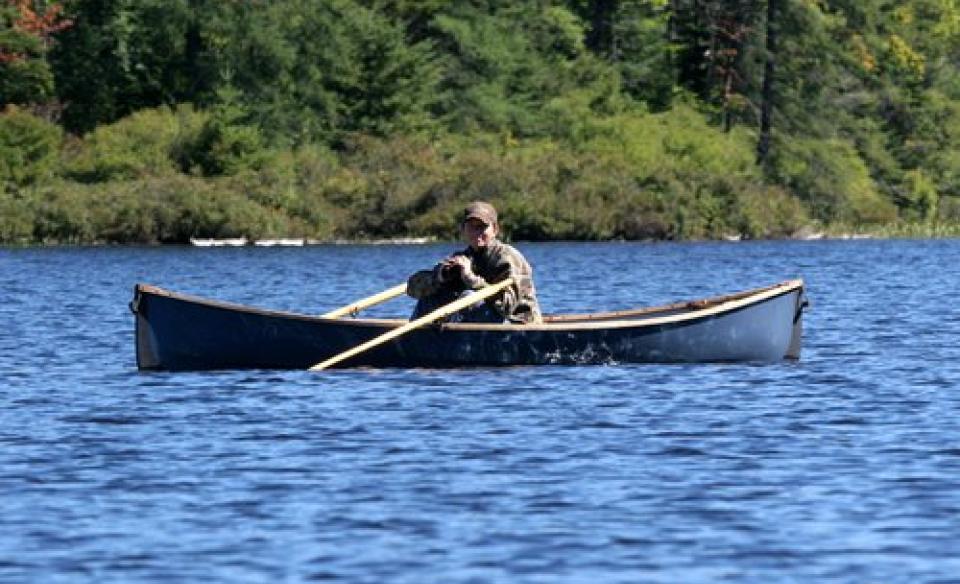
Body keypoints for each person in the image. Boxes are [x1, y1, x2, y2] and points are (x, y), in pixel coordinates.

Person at [407, 201, 542, 324]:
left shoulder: (508, 258)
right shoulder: (462, 257)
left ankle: (449, 339)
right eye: (471, 227)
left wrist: (470, 278)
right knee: (428, 299)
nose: (476, 232)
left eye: (482, 227)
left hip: (517, 323)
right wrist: (441, 276)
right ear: (463, 230)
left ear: (495, 229)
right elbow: (412, 290)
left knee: (468, 297)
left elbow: (507, 306)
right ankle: (411, 342)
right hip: (479, 325)